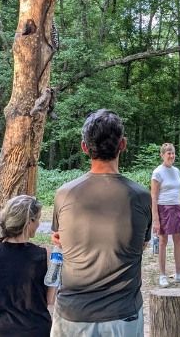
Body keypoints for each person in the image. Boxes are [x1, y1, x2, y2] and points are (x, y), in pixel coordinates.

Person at [50, 109, 152, 337]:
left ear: (84, 147)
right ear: (123, 145)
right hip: (123, 315)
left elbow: (59, 240)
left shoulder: (65, 194)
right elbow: (141, 244)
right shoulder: (141, 196)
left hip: (73, 315)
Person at [0, 195, 54, 337]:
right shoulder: (46, 255)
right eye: (38, 218)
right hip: (34, 330)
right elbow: (50, 300)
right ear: (29, 221)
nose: (39, 223)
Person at [151, 143, 180, 287]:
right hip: (163, 208)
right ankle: (162, 275)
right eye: (168, 153)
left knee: (179, 240)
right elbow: (154, 197)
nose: (171, 155)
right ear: (162, 155)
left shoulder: (176, 171)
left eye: (173, 153)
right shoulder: (157, 172)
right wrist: (155, 219)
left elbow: (178, 191)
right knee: (163, 241)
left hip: (176, 208)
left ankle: (179, 274)